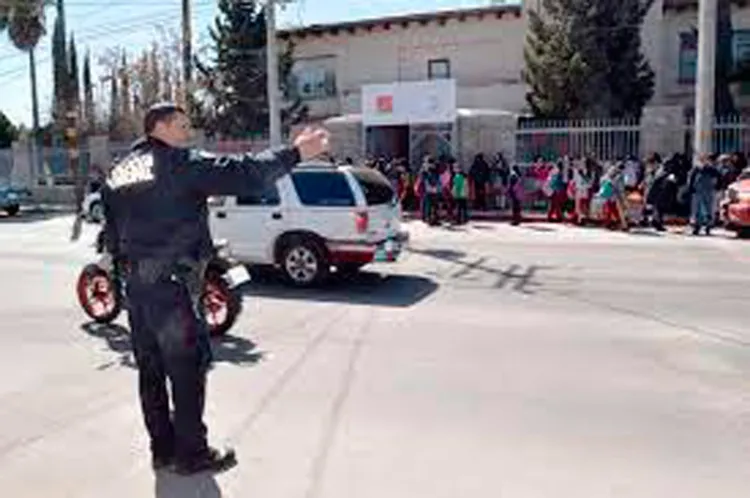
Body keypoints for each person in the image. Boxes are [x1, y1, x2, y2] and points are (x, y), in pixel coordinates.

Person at [100, 103, 329, 475]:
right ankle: (192, 454)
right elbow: (246, 174)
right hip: (172, 289)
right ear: (161, 126)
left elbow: (110, 234)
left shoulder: (118, 171)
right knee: (187, 372)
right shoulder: (179, 162)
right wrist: (297, 152)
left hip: (137, 289)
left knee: (151, 373)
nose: (188, 131)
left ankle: (163, 450)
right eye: (183, 124)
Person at [687, 153, 722, 236]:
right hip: (698, 192)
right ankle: (696, 227)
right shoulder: (696, 169)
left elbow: (719, 179)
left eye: (705, 159)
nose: (704, 161)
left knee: (709, 209)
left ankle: (708, 227)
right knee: (696, 209)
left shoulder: (712, 169)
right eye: (702, 159)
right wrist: (691, 189)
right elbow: (691, 179)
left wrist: (717, 188)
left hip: (709, 192)